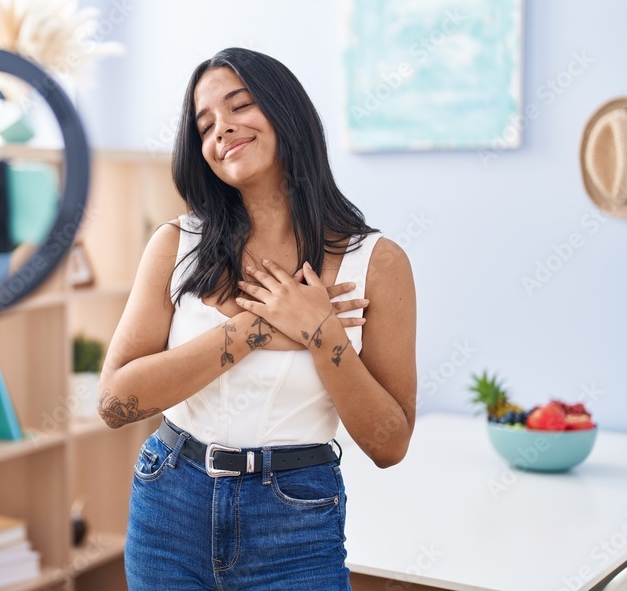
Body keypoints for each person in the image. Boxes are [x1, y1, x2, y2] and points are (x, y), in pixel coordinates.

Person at [97, 47, 417, 590]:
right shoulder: (177, 245)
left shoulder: (378, 263)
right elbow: (114, 402)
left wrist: (320, 333)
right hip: (170, 503)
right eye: (205, 125)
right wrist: (257, 330)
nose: (221, 130)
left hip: (295, 521)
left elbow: (389, 445)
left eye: (239, 105)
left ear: (285, 111)